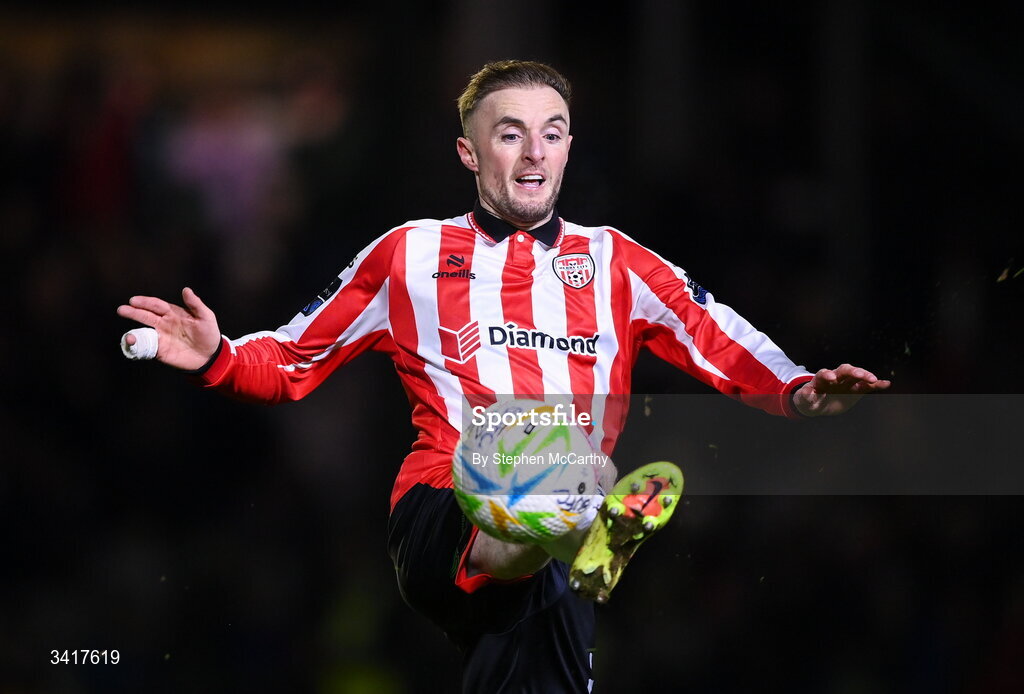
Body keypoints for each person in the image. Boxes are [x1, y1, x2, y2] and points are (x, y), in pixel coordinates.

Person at [118, 60, 890, 692]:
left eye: (551, 135)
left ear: (568, 147)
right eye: (511, 134)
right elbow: (292, 359)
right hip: (440, 504)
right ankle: (577, 523)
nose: (533, 154)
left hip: (545, 564)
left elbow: (712, 331)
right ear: (469, 152)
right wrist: (217, 356)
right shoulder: (409, 255)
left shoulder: (616, 261)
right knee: (536, 460)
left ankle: (571, 529)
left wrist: (796, 386)